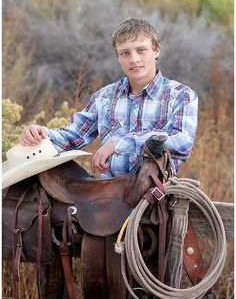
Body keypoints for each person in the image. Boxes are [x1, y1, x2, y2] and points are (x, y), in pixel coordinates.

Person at [20, 17, 198, 178]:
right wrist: (42, 135)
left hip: (155, 197)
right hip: (108, 197)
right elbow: (74, 136)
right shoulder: (105, 97)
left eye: (141, 50)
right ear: (118, 57)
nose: (134, 59)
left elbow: (182, 143)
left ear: (156, 50)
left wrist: (121, 142)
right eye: (125, 53)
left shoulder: (180, 96)